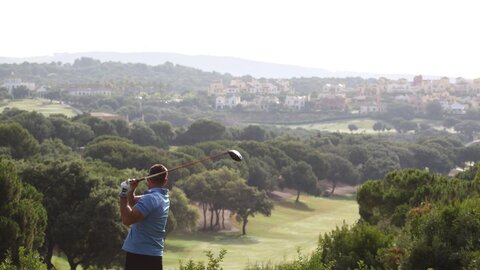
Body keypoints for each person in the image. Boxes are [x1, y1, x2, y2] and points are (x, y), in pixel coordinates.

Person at [119, 164, 170, 270]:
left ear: (148, 179)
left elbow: (127, 220)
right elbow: (133, 202)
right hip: (154, 256)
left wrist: (123, 192)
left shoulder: (150, 199)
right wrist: (132, 189)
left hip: (139, 256)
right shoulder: (163, 197)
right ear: (165, 181)